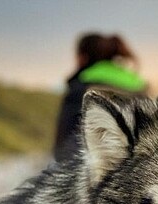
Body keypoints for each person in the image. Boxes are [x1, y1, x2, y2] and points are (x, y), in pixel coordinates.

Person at [53, 33, 148, 162]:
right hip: (139, 171)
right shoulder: (139, 87)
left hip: (92, 172)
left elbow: (63, 146)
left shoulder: (80, 88)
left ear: (83, 58)